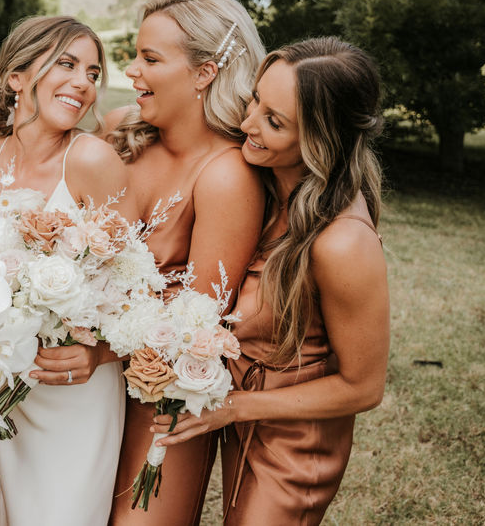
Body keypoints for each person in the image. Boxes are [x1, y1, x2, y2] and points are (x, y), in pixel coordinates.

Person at [152, 37, 390, 524]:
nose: (247, 123)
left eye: (274, 122)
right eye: (256, 99)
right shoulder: (261, 187)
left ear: (321, 142)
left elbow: (363, 388)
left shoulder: (341, 243)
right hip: (240, 411)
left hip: (295, 438)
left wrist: (236, 407)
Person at [104, 0, 265, 525]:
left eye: (151, 59)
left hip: (162, 394)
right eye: (135, 54)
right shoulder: (121, 130)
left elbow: (198, 318)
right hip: (82, 384)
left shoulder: (226, 175)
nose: (132, 70)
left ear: (204, 73)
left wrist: (96, 348)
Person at [0, 15, 134, 526]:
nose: (83, 83)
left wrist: (98, 352)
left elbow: (135, 283)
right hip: (3, 384)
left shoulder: (92, 159)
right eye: (66, 64)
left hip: (73, 389)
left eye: (92, 72)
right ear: (18, 76)